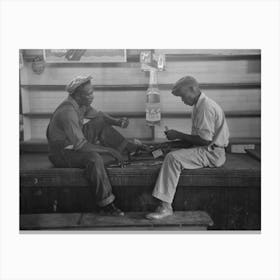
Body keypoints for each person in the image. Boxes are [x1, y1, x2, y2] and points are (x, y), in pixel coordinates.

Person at [46, 75, 146, 216]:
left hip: (72, 144)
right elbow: (81, 146)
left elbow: (99, 116)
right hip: (61, 153)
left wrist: (117, 122)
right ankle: (106, 204)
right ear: (78, 95)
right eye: (89, 94)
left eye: (92, 91)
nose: (92, 96)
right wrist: (108, 150)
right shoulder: (67, 112)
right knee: (94, 158)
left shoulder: (80, 104)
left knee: (99, 122)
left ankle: (129, 149)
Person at [146, 76, 230, 219]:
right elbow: (196, 140)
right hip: (208, 149)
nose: (183, 100)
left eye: (183, 96)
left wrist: (178, 134)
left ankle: (165, 207)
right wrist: (171, 144)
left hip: (212, 153)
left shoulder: (205, 107)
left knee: (173, 158)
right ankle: (165, 205)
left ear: (193, 89)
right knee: (171, 152)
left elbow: (204, 140)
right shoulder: (198, 106)